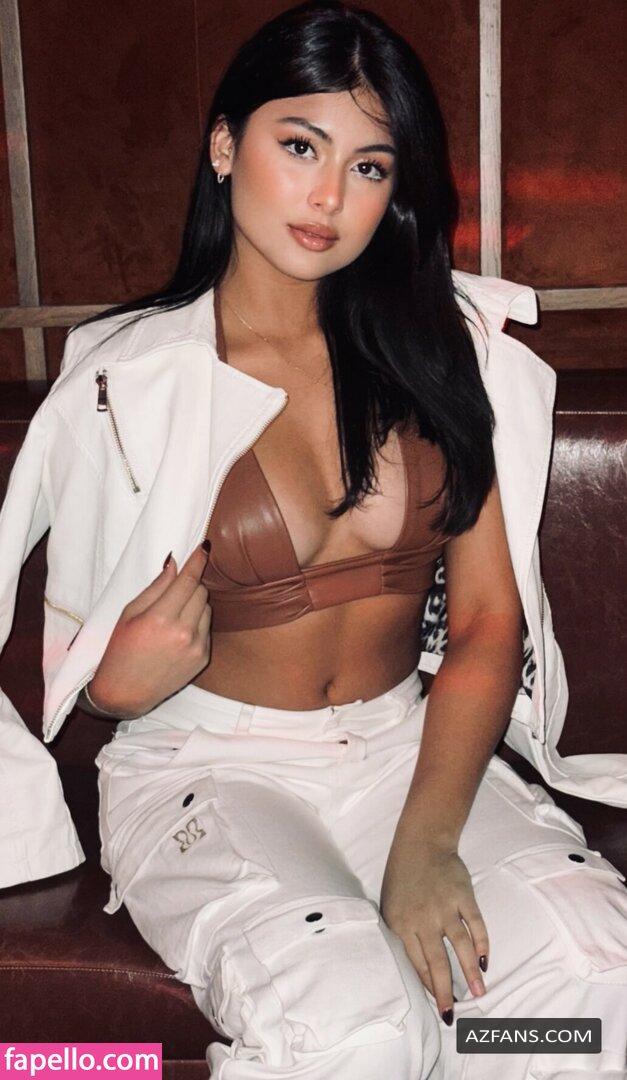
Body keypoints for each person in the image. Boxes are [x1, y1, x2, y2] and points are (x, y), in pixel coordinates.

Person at [1, 2, 625, 1078]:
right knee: (355, 1032)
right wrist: (112, 687)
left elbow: (487, 623)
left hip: (403, 751)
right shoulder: (132, 377)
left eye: (369, 166)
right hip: (206, 767)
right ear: (224, 145)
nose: (330, 196)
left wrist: (426, 843)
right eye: (300, 146)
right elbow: (80, 648)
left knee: (589, 1002)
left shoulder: (442, 350)